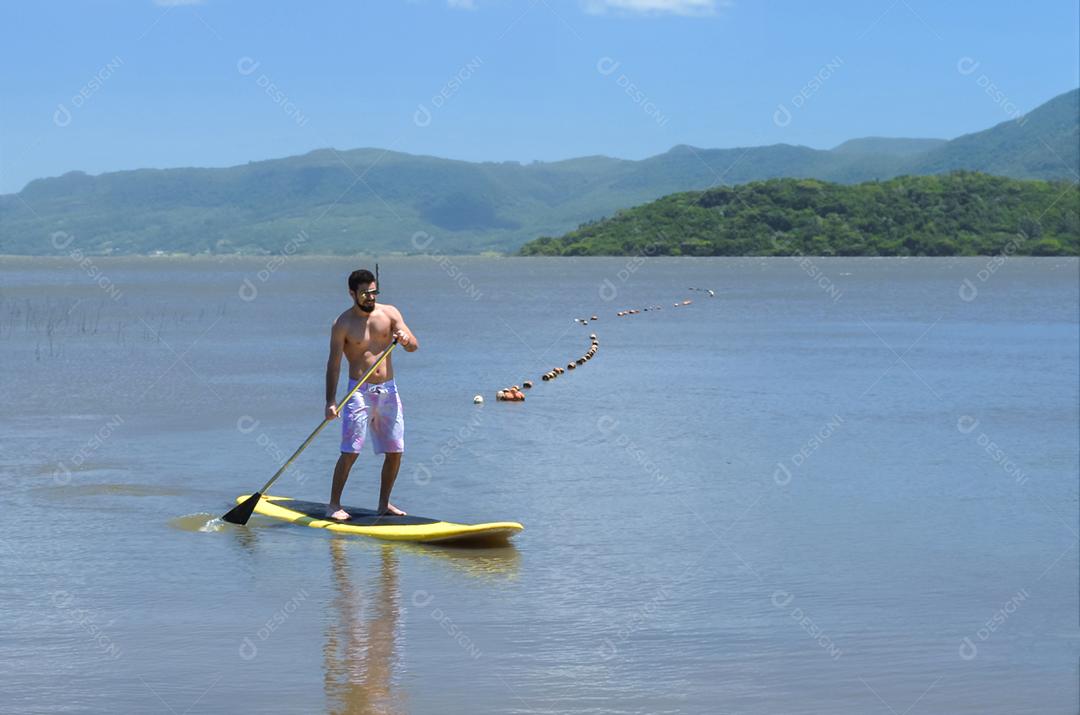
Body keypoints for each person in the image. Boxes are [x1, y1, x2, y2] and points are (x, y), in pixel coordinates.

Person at [325, 269, 418, 520]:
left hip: (389, 390)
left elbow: (413, 346)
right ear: (352, 293)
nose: (370, 297)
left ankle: (383, 504)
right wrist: (330, 402)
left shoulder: (390, 313)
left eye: (374, 291)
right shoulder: (342, 323)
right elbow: (334, 364)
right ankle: (334, 505)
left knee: (395, 450)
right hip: (358, 392)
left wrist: (405, 339)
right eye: (365, 293)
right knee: (351, 450)